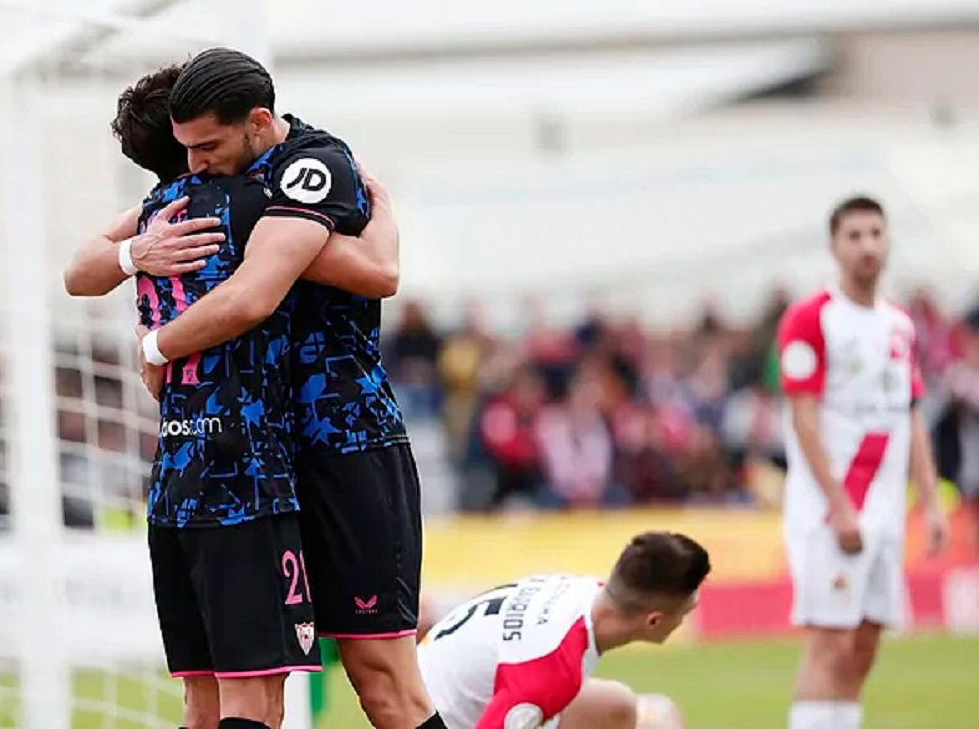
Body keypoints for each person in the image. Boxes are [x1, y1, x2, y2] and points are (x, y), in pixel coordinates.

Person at [63, 64, 402, 729]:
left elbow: (78, 271)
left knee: (202, 700)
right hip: (251, 471)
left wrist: (138, 279)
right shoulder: (253, 208)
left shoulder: (157, 219)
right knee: (259, 696)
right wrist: (381, 211)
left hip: (176, 474)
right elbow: (376, 272)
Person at [140, 48, 445, 729]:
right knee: (232, 684)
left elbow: (340, 277)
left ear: (257, 121)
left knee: (379, 675)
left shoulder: (312, 167)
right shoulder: (215, 186)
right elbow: (89, 261)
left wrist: (157, 344)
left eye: (207, 145)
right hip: (256, 458)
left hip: (345, 440)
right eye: (184, 148)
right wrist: (133, 253)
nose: (193, 163)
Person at [776, 195, 948, 729]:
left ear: (888, 241)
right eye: (854, 236)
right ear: (834, 246)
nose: (867, 246)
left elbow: (910, 415)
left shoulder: (900, 324)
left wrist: (932, 501)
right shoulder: (811, 318)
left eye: (875, 233)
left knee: (866, 643)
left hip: (886, 508)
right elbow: (804, 418)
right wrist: (838, 505)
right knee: (830, 640)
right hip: (834, 506)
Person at [418, 531, 709, 729]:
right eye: (686, 611)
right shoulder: (551, 669)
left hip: (438, 685)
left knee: (632, 709)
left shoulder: (581, 591)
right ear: (654, 621)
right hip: (431, 717)